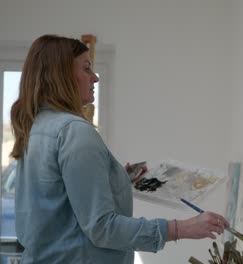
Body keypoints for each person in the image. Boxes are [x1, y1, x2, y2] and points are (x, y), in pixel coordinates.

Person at [10, 34, 229, 264]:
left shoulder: (36, 127)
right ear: (62, 75)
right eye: (86, 69)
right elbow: (102, 227)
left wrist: (115, 180)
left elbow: (59, 203)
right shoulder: (74, 132)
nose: (95, 78)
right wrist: (181, 228)